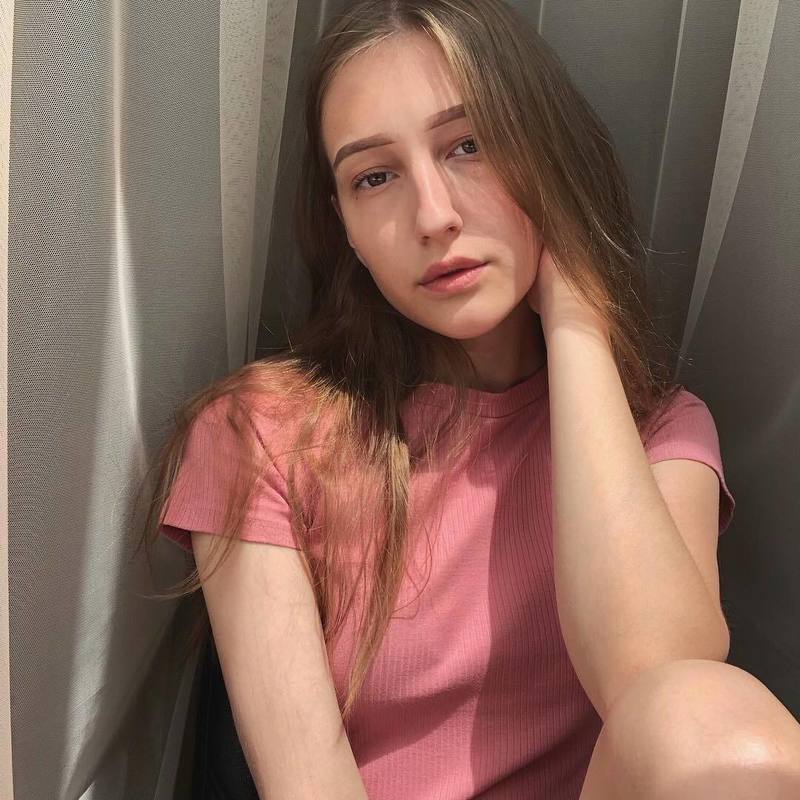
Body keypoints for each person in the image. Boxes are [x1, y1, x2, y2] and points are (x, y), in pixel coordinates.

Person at [139, 1, 800, 797]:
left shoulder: (660, 431)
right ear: (344, 226)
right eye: (374, 176)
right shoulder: (263, 433)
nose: (434, 216)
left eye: (469, 145)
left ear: (545, 154)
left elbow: (667, 697)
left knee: (715, 724)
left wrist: (577, 322)